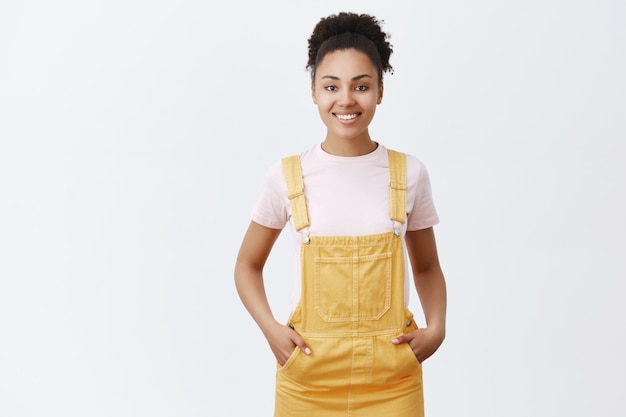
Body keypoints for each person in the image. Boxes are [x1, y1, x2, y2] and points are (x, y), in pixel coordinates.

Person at [234, 11, 447, 417]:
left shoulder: (410, 173)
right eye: (331, 86)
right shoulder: (286, 176)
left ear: (380, 91)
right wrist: (271, 330)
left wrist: (436, 326)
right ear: (314, 91)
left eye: (361, 86)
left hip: (392, 381)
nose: (346, 100)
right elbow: (246, 264)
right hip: (309, 381)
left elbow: (427, 267)